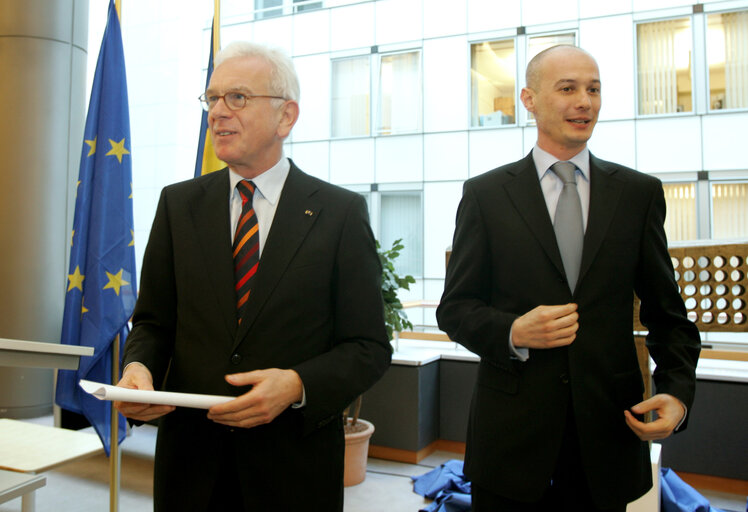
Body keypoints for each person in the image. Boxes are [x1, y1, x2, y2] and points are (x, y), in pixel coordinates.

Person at [115, 41, 391, 511]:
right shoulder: (178, 205)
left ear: (286, 116)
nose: (217, 113)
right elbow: (154, 322)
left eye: (237, 98)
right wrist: (138, 368)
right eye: (212, 99)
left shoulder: (340, 213)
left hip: (293, 472)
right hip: (191, 470)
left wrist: (298, 385)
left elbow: (368, 347)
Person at [436, 45, 700, 512]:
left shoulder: (638, 194)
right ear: (529, 99)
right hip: (510, 441)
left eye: (594, 89)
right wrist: (514, 331)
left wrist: (676, 394)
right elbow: (455, 309)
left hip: (607, 436)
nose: (585, 101)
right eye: (568, 88)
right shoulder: (485, 196)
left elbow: (669, 316)